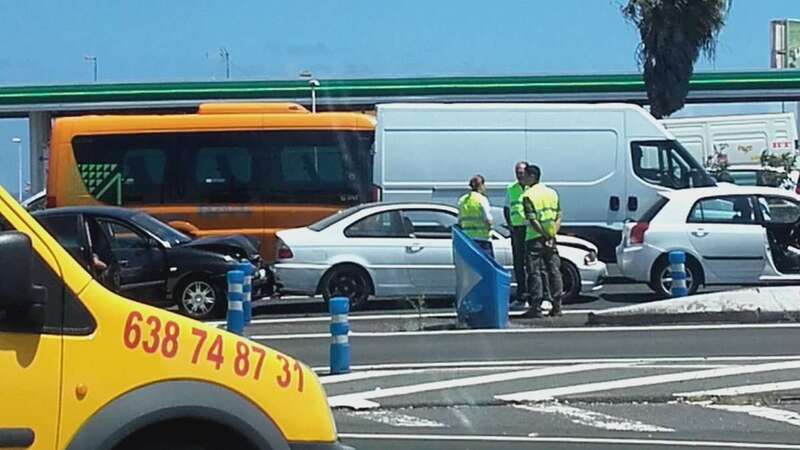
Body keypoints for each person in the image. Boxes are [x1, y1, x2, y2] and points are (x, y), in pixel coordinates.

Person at [520, 165, 563, 318]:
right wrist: (551, 235)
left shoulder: (528, 195)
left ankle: (536, 306)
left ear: (532, 176)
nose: (522, 178)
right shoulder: (552, 193)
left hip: (534, 238)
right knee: (554, 270)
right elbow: (559, 215)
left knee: (534, 272)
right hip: (551, 238)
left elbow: (532, 220)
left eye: (525, 175)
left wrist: (543, 234)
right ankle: (557, 306)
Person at [505, 161, 530, 310]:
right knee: (519, 264)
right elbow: (507, 208)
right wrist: (510, 226)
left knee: (533, 265)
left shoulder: (531, 187)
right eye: (517, 172)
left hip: (531, 229)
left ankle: (536, 296)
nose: (519, 175)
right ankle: (521, 296)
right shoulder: (511, 188)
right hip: (517, 230)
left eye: (521, 172)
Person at [458, 174, 494, 257]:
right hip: (482, 240)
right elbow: (488, 220)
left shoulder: (462, 200)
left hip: (468, 240)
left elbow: (459, 221)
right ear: (481, 185)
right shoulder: (482, 199)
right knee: (485, 267)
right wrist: (489, 229)